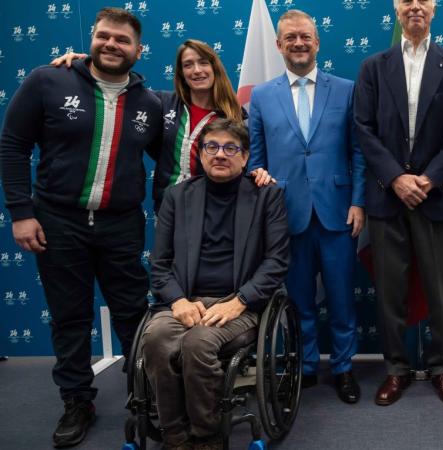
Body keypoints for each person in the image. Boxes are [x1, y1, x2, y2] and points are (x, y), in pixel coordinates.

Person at [0, 8, 162, 447]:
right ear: (91, 40)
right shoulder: (47, 81)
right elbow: (13, 145)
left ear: (138, 50)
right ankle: (77, 401)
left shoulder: (151, 103)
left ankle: (146, 398)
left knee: (134, 315)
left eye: (122, 40)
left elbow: (183, 149)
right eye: (104, 37)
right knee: (70, 317)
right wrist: (20, 211)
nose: (112, 45)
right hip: (57, 221)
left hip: (121, 225)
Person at [354, 0, 443, 407]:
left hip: (436, 195)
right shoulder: (373, 66)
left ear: (435, 8)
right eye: (407, 0)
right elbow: (363, 129)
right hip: (388, 197)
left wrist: (428, 178)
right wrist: (396, 177)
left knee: (441, 290)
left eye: (423, 0)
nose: (415, 7)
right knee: (391, 291)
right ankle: (396, 369)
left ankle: (441, 368)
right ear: (397, 8)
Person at [143, 119, 290, 450]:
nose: (220, 154)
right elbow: (160, 265)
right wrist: (178, 301)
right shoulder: (177, 197)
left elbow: (277, 261)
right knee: (155, 339)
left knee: (198, 344)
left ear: (245, 156)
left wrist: (239, 301)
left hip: (241, 305)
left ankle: (207, 435)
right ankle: (175, 436)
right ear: (201, 153)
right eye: (212, 147)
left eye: (230, 148)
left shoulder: (268, 196)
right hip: (185, 301)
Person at [248, 9, 366, 404]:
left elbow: (359, 153)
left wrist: (358, 202)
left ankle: (345, 367)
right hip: (286, 214)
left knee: (341, 298)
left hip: (337, 212)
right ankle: (308, 365)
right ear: (279, 45)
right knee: (298, 299)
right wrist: (259, 175)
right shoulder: (262, 96)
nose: (299, 43)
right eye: (290, 38)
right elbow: (255, 159)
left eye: (305, 37)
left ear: (317, 42)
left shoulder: (346, 89)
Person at [51, 39, 245, 211]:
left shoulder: (235, 115)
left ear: (215, 68)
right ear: (181, 73)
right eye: (188, 65)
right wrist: (85, 66)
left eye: (203, 63)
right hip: (169, 208)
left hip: (216, 208)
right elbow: (115, 88)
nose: (196, 70)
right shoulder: (161, 103)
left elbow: (245, 161)